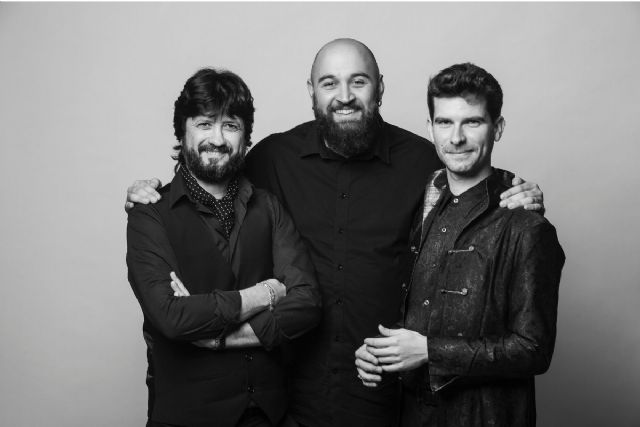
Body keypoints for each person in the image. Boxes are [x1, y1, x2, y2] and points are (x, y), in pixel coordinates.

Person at [125, 39, 545, 427]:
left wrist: (514, 191)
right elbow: (213, 170)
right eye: (329, 83)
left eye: (358, 81)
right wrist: (152, 193)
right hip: (291, 396)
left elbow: (469, 175)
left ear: (380, 87)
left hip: (388, 394)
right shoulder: (274, 157)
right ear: (312, 91)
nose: (344, 96)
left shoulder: (423, 161)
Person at [355, 63, 565, 427]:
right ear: (430, 128)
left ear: (497, 128)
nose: (456, 138)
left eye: (472, 122)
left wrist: (429, 351)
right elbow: (421, 312)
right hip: (414, 415)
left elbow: (534, 350)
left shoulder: (527, 227)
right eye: (444, 122)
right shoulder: (424, 205)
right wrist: (382, 353)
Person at [126, 68, 321, 427]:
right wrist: (264, 294)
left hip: (270, 415)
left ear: (246, 138)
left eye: (230, 126)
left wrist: (220, 339)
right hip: (188, 418)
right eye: (204, 124)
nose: (216, 139)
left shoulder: (268, 206)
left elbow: (307, 301)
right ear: (181, 131)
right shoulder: (149, 215)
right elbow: (171, 317)